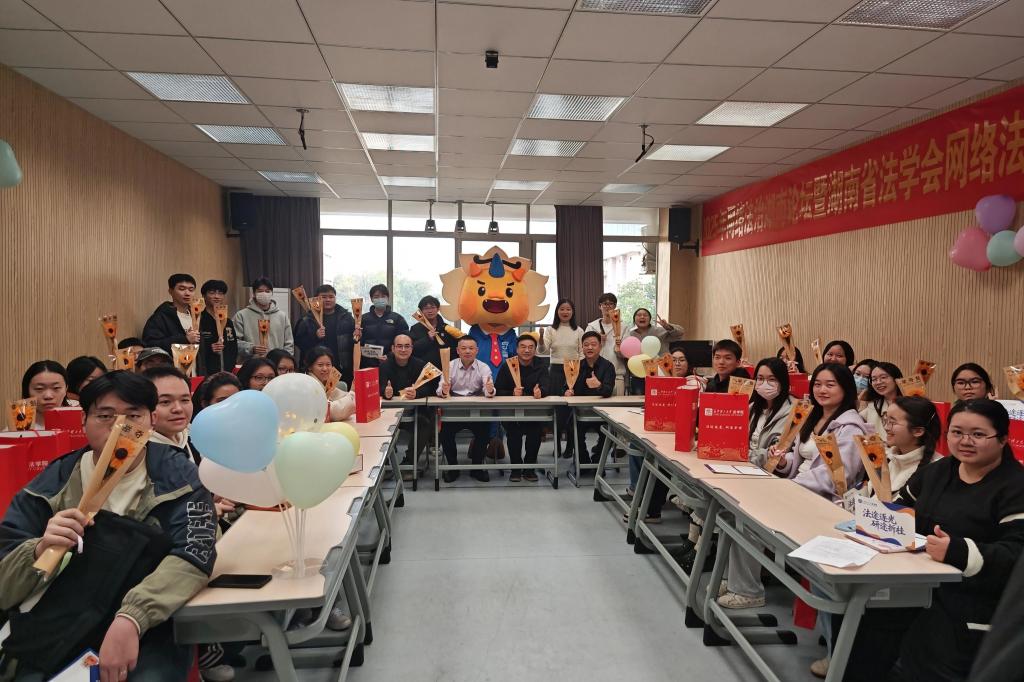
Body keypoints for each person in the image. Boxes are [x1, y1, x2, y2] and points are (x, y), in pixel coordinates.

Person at [0, 371, 216, 680]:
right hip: (56, 626)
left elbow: (194, 554)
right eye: (105, 416)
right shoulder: (51, 484)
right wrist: (39, 550)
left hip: (149, 629)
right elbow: (4, 585)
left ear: (152, 421)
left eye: (133, 416)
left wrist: (133, 617)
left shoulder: (181, 478)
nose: (119, 428)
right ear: (83, 421)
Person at [846, 399, 1024, 682]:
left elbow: (1016, 554)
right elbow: (899, 510)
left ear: (1002, 439)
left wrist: (958, 550)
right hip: (914, 584)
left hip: (971, 600)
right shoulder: (939, 471)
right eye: (957, 432)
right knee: (864, 632)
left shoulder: (1015, 485)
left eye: (978, 434)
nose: (965, 441)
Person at [719, 358, 795, 609]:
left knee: (745, 522)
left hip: (770, 480)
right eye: (760, 379)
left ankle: (748, 591)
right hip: (744, 473)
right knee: (723, 512)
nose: (765, 384)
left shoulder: (793, 413)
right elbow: (734, 437)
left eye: (772, 379)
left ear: (783, 382)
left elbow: (776, 453)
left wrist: (745, 455)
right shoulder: (752, 406)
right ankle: (730, 578)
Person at [771, 363, 871, 501]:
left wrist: (792, 484)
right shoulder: (811, 417)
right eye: (817, 384)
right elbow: (799, 457)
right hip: (796, 486)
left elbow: (838, 474)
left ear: (846, 388)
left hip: (822, 497)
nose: (822, 390)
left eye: (830, 385)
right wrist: (783, 461)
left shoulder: (851, 427)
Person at [436, 337, 495, 483]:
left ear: (477, 351)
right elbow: (440, 389)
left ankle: (477, 468)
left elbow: (488, 389)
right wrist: (444, 391)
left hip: (476, 409)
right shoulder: (449, 366)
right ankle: (453, 468)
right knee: (445, 434)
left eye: (471, 348)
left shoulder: (483, 367)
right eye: (463, 348)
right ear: (457, 351)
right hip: (453, 409)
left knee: (484, 432)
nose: (467, 351)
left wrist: (489, 390)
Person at [379, 333, 437, 480]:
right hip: (390, 413)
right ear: (393, 348)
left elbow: (430, 387)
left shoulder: (420, 365)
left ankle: (409, 462)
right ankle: (384, 464)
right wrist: (385, 392)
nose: (403, 350)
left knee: (425, 424)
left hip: (414, 412)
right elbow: (379, 387)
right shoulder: (384, 365)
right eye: (399, 346)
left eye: (407, 346)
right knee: (376, 425)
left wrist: (417, 393)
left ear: (412, 348)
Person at [494, 334, 549, 483]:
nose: (527, 350)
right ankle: (516, 469)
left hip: (534, 411)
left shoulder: (541, 365)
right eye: (523, 347)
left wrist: (541, 392)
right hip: (512, 411)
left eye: (531, 347)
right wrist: (511, 393)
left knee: (535, 434)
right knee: (514, 434)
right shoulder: (508, 365)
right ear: (517, 349)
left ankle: (530, 469)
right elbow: (498, 390)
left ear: (535, 350)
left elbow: (547, 386)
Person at [559, 331, 616, 467]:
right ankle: (583, 462)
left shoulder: (608, 366)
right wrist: (566, 392)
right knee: (572, 428)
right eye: (586, 345)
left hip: (602, 412)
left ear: (600, 347)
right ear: (582, 348)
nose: (589, 347)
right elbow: (565, 388)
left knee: (610, 431)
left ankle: (597, 463)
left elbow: (608, 391)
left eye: (593, 344)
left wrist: (599, 385)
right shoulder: (575, 366)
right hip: (580, 411)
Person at [294, 285, 356, 387]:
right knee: (316, 393)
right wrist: (315, 337)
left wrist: (357, 337)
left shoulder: (346, 318)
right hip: (316, 369)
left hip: (341, 368)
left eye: (331, 297)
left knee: (340, 393)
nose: (327, 300)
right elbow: (298, 342)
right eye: (323, 297)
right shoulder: (308, 319)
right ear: (317, 299)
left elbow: (353, 342)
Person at [232, 277, 294, 361]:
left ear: (272, 293)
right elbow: (234, 342)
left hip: (276, 364)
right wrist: (251, 348)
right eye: (260, 291)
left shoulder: (282, 316)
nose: (264, 294)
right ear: (254, 293)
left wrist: (284, 361)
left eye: (267, 291)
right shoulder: (241, 315)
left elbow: (289, 344)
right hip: (252, 364)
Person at [625, 308, 684, 394]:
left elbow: (680, 333)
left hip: (662, 372)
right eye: (639, 315)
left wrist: (667, 326)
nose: (642, 317)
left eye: (645, 315)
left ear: (650, 319)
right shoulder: (630, 335)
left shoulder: (660, 331)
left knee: (663, 397)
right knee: (638, 400)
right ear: (634, 319)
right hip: (638, 375)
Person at [142, 274, 200, 354]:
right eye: (182, 289)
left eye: (191, 290)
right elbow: (150, 345)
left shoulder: (197, 316)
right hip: (172, 362)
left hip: (196, 362)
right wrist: (184, 339)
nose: (187, 293)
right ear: (171, 291)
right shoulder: (161, 317)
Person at [357, 284, 408, 370]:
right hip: (367, 365)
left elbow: (405, 341)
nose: (380, 299)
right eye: (376, 297)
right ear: (371, 299)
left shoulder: (397, 318)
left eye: (383, 296)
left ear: (388, 298)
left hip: (391, 364)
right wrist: (356, 338)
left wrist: (390, 356)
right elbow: (357, 343)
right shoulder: (362, 319)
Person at [585, 293, 626, 396]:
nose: (608, 306)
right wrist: (597, 342)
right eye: (605, 304)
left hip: (617, 375)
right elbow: (584, 350)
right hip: (594, 375)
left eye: (611, 303)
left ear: (615, 306)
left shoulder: (624, 327)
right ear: (600, 306)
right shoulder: (592, 327)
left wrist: (619, 349)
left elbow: (627, 355)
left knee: (617, 406)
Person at [197, 279, 238, 375]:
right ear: (204, 296)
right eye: (212, 293)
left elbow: (233, 348)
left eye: (220, 293)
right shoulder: (199, 320)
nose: (217, 296)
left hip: (227, 373)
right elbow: (193, 348)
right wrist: (209, 348)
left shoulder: (227, 322)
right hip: (206, 372)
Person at [304, 347, 355, 422]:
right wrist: (352, 393)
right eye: (320, 365)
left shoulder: (325, 381)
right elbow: (333, 412)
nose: (325, 369)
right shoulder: (309, 384)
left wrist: (353, 394)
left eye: (328, 365)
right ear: (310, 367)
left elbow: (339, 395)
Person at [408, 295, 457, 368]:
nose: (430, 311)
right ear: (421, 311)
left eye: (433, 307)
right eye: (426, 308)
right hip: (422, 369)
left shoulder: (446, 328)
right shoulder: (415, 328)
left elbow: (454, 350)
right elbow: (412, 349)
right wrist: (428, 339)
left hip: (444, 369)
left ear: (438, 309)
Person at [19, 361, 71, 428]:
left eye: (56, 388)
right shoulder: (16, 430)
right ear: (27, 391)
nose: (48, 396)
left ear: (66, 389)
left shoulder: (80, 424)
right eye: (39, 388)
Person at [861, 361, 903, 435]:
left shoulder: (910, 403)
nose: (878, 382)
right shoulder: (873, 405)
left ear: (896, 378)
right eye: (874, 379)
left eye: (883, 377)